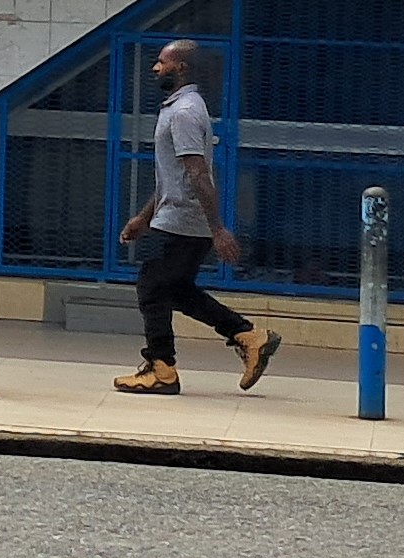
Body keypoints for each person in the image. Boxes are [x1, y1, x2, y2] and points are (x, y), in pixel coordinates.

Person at [113, 39, 282, 395]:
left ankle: (161, 368)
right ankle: (249, 336)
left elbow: (197, 173)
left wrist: (217, 229)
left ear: (181, 68)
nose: (155, 68)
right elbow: (174, 176)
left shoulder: (185, 112)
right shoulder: (180, 108)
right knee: (177, 290)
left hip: (183, 220)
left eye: (162, 62)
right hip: (176, 216)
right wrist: (143, 218)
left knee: (151, 287)